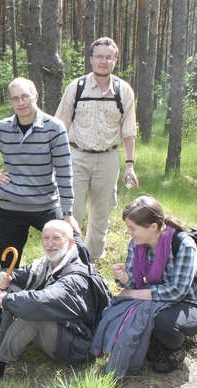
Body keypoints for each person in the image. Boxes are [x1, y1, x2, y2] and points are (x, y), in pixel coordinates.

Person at [0, 220, 97, 379]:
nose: (50, 244)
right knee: (12, 288)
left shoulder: (75, 277)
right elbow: (19, 274)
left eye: (56, 238)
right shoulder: (47, 264)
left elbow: (42, 302)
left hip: (76, 345)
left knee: (34, 313)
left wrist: (5, 299)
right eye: (46, 238)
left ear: (70, 242)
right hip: (59, 332)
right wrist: (1, 278)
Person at [104, 195, 197, 374]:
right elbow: (135, 282)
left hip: (193, 302)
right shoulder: (136, 243)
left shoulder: (184, 244)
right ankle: (154, 343)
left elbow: (178, 291)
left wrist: (132, 294)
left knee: (164, 321)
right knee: (118, 306)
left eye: (132, 228)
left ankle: (175, 350)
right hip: (159, 298)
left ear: (154, 227)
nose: (128, 232)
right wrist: (124, 278)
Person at [0, 77, 78, 269]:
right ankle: (7, 296)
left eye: (25, 96)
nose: (20, 103)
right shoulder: (1, 129)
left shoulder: (54, 128)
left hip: (46, 205)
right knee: (8, 263)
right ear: (10, 101)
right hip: (12, 207)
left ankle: (62, 291)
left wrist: (68, 212)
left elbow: (65, 172)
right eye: (15, 98)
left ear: (35, 96)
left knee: (67, 255)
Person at [55, 36, 139, 260]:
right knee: (73, 212)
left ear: (116, 60)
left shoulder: (124, 91)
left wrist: (130, 165)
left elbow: (129, 131)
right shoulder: (77, 87)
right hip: (76, 157)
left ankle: (91, 261)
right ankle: (69, 260)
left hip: (108, 159)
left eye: (109, 57)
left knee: (101, 214)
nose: (104, 61)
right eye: (99, 56)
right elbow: (59, 126)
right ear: (91, 59)